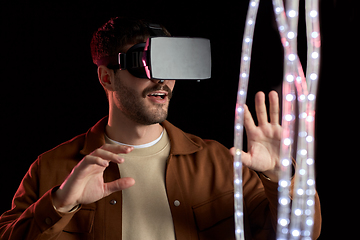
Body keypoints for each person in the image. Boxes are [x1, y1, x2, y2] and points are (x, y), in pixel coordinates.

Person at [0, 17, 321, 240]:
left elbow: (300, 233)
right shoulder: (53, 168)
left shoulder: (221, 164)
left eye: (171, 64)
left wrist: (283, 178)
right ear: (107, 77)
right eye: (145, 63)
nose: (162, 79)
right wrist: (60, 204)